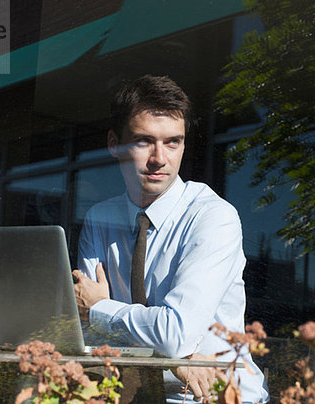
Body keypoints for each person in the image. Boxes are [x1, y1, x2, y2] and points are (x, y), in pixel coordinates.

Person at [72, 75, 269, 403]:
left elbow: (173, 334)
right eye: (143, 141)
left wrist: (102, 308)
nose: (159, 159)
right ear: (113, 143)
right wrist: (176, 356)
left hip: (216, 398)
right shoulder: (100, 219)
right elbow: (87, 330)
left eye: (173, 142)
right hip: (136, 394)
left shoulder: (212, 218)